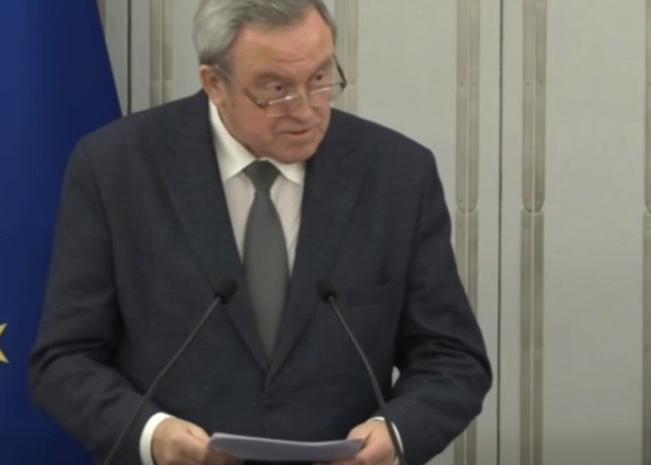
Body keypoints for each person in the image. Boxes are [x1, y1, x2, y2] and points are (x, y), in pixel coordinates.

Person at [28, 1, 492, 465]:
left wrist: (395, 433)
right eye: (276, 89)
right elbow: (65, 358)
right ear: (215, 83)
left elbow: (452, 357)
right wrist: (151, 435)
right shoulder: (115, 168)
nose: (306, 110)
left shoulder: (397, 174)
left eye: (320, 78)